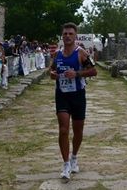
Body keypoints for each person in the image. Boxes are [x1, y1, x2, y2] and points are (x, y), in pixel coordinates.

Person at [50, 22, 97, 180]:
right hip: (62, 95)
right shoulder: (57, 54)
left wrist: (76, 74)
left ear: (75, 36)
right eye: (65, 34)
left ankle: (74, 157)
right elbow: (51, 70)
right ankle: (65, 164)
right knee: (63, 129)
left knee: (78, 131)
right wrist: (53, 75)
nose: (68, 36)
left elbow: (93, 71)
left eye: (71, 34)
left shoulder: (81, 53)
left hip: (78, 95)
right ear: (62, 36)